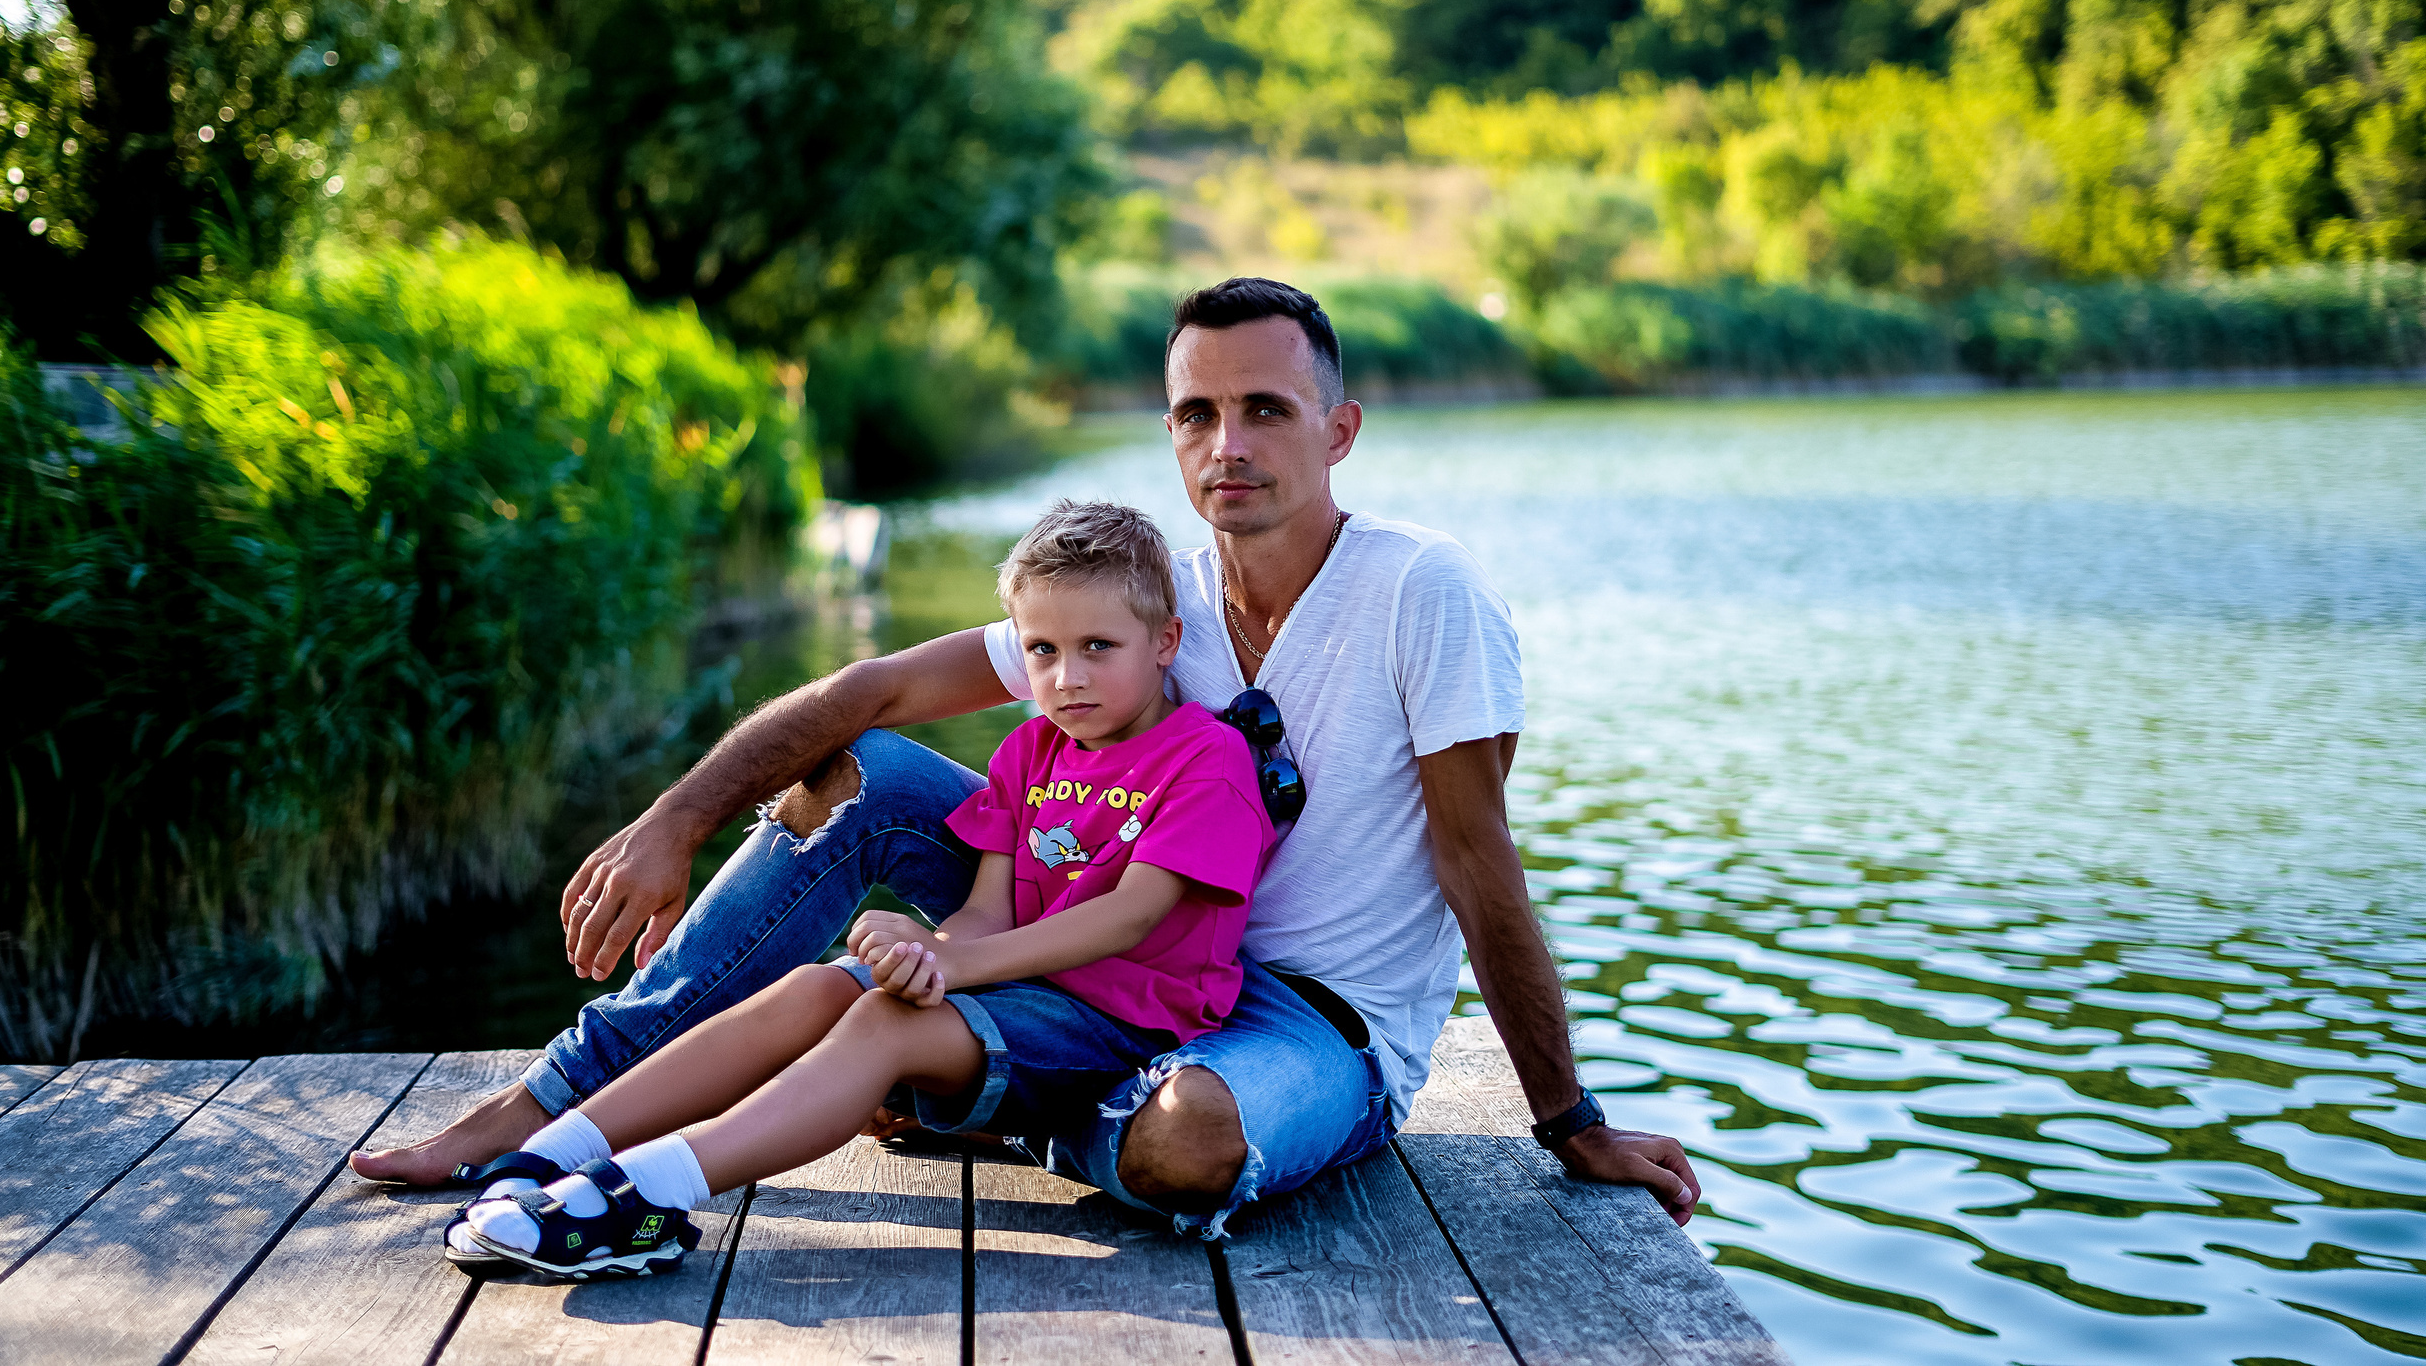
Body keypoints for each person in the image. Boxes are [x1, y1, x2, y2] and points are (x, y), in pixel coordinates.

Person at [356, 276, 1702, 1236]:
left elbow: (1480, 862)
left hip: (1303, 1011)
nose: (1228, 444)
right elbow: (875, 684)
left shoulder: (1426, 591)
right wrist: (675, 813)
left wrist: (1566, 1116)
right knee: (866, 771)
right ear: (1170, 430)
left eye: (1268, 409)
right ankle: (548, 1104)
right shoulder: (1137, 595)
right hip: (1099, 952)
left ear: (1337, 428)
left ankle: (978, 1093)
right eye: (1196, 412)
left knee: (1185, 1144)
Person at [440, 500, 1274, 1277]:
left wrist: (950, 968)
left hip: (1129, 1031)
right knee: (816, 986)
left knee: (877, 1019)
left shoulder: (1206, 758)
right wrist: (926, 949)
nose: (1067, 678)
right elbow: (989, 906)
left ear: (1165, 641)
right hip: (1025, 991)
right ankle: (554, 1151)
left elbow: (1128, 918)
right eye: (1043, 652)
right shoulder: (1031, 755)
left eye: (1099, 647)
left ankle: (644, 1198)